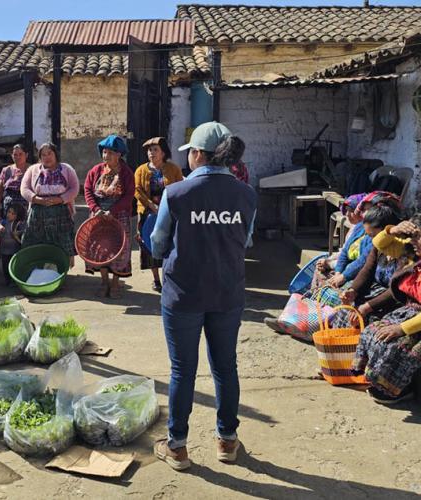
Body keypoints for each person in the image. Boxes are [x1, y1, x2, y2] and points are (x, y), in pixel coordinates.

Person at [150, 121, 256, 470]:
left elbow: (158, 242)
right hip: (227, 291)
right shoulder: (246, 194)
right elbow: (247, 240)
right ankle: (227, 441)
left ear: (197, 154)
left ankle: (177, 446)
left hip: (183, 293)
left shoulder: (176, 193)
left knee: (183, 370)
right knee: (225, 367)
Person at [353, 213, 421, 404]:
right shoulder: (415, 257)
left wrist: (401, 329)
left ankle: (398, 389)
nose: (412, 241)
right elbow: (380, 244)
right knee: (373, 332)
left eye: (418, 236)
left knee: (397, 344)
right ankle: (379, 380)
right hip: (413, 317)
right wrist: (392, 229)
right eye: (411, 236)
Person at [84, 134, 136, 299]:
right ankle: (104, 281)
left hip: (118, 216)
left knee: (119, 249)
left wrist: (112, 211)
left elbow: (129, 195)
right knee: (100, 248)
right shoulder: (96, 171)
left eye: (111, 153)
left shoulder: (126, 173)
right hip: (98, 215)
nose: (106, 156)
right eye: (105, 152)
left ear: (119, 154)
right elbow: (87, 190)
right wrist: (95, 208)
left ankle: (115, 283)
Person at [134, 137, 184, 292]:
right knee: (149, 246)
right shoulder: (141, 170)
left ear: (163, 152)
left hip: (169, 212)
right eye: (149, 150)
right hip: (148, 212)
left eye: (155, 150)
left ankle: (168, 276)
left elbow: (179, 188)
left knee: (170, 244)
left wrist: (166, 207)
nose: (151, 153)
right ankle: (156, 279)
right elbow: (137, 190)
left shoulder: (173, 169)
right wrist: (151, 205)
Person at [20, 142, 80, 267]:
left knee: (60, 244)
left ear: (55, 154)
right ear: (40, 157)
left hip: (61, 213)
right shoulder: (33, 170)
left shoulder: (67, 169)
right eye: (43, 155)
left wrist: (61, 199)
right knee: (37, 243)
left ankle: (60, 272)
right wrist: (37, 199)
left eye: (49, 153)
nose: (47, 157)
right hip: (37, 215)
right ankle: (39, 270)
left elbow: (75, 188)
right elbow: (24, 189)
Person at [340, 205, 404, 319]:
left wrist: (367, 307)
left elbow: (397, 288)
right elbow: (367, 269)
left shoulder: (404, 251)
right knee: (346, 310)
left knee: (365, 317)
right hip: (375, 289)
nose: (372, 240)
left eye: (374, 235)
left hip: (394, 297)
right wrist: (353, 290)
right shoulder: (377, 246)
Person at [0, 202, 26, 286]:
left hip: (15, 250)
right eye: (9, 212)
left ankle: (15, 281)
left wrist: (17, 234)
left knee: (14, 266)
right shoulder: (4, 222)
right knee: (5, 266)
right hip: (4, 250)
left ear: (18, 216)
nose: (9, 214)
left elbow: (24, 232)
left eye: (13, 213)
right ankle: (7, 281)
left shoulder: (19, 224)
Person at [0, 143, 31, 217]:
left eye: (20, 154)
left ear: (26, 155)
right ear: (12, 156)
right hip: (9, 207)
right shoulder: (6, 170)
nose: (18, 157)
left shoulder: (32, 170)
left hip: (26, 206)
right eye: (15, 155)